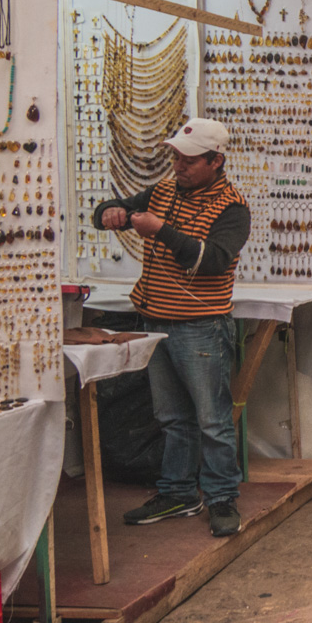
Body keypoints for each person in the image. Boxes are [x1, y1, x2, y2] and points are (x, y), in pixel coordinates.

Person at [93, 119, 251, 537]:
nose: (179, 166)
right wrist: (111, 212)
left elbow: (212, 261)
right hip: (156, 320)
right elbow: (112, 210)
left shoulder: (232, 208)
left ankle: (221, 497)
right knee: (171, 417)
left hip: (201, 326)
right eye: (176, 157)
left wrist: (160, 230)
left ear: (216, 161)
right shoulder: (163, 191)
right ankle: (179, 491)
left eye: (189, 160)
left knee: (212, 420)